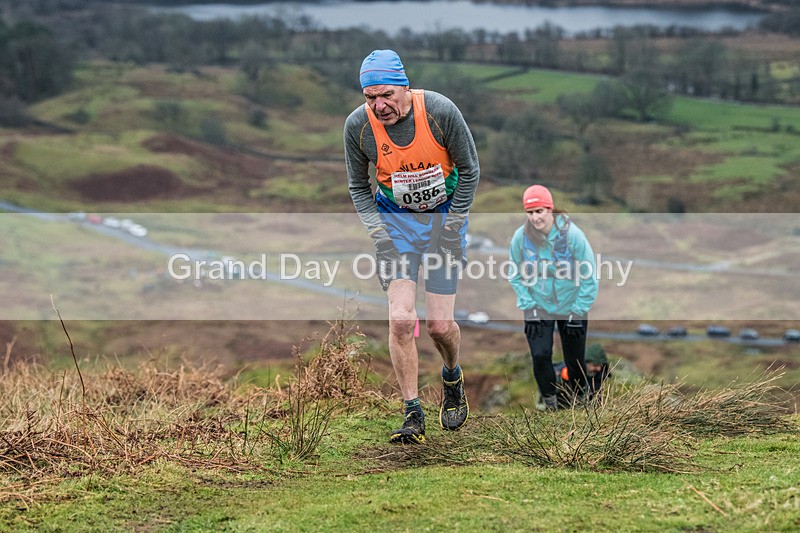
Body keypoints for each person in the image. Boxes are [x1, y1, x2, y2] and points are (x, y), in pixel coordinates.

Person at [343, 50, 480, 444]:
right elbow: (358, 186)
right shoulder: (358, 126)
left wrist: (453, 228)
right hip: (396, 225)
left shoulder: (439, 111)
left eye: (385, 95)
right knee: (402, 320)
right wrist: (380, 237)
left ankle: (452, 376)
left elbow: (470, 170)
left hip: (444, 223)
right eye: (370, 98)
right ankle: (412, 412)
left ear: (404, 86)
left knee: (439, 326)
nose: (379, 106)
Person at [508, 184, 598, 411]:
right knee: (540, 356)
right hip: (538, 305)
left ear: (550, 209)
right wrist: (529, 307)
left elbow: (590, 275)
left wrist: (579, 309)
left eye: (540, 211)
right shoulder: (521, 238)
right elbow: (514, 274)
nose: (535, 218)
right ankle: (550, 405)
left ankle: (579, 403)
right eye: (530, 213)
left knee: (574, 361)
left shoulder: (573, 235)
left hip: (571, 306)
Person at [535, 343, 611, 410]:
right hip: (560, 409)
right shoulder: (565, 372)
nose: (598, 369)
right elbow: (544, 390)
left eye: (600, 366)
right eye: (595, 365)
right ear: (584, 363)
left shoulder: (599, 375)